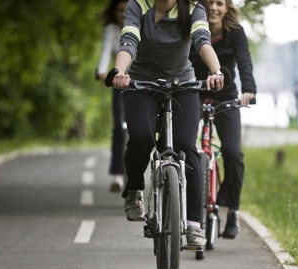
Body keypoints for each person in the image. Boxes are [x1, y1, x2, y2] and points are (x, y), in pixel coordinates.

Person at [107, 0, 225, 246]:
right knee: (141, 137)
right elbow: (129, 41)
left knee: (186, 146)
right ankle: (135, 189)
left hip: (182, 84)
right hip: (143, 84)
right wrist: (119, 72)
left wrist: (216, 71)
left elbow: (202, 40)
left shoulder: (194, 7)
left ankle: (193, 224)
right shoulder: (137, 5)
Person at [190, 0, 257, 239]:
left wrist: (248, 89)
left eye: (219, 3)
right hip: (193, 95)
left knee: (232, 152)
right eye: (209, 3)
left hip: (226, 98)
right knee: (186, 148)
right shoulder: (192, 28)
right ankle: (186, 210)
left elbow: (245, 62)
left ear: (227, 7)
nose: (213, 8)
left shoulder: (235, 32)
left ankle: (233, 210)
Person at [97, 0, 128, 192]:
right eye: (119, 11)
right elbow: (106, 51)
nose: (123, 14)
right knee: (119, 128)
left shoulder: (140, 26)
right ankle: (118, 173)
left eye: (126, 10)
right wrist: (101, 71)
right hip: (120, 82)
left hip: (141, 83)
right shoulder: (111, 30)